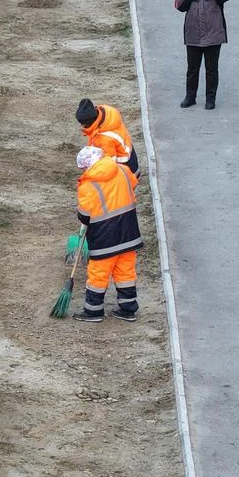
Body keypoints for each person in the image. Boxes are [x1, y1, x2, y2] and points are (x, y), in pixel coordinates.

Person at [72, 146, 143, 323]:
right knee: (125, 271)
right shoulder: (123, 170)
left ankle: (93, 310)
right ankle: (128, 309)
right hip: (129, 233)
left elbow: (85, 215)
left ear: (87, 165)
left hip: (104, 239)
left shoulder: (88, 185)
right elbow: (133, 184)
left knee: (98, 273)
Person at [175, 0, 230, 110]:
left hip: (213, 36)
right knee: (192, 69)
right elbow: (179, 6)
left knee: (211, 70)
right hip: (193, 35)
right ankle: (190, 97)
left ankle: (210, 99)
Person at [75, 98, 139, 174]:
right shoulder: (108, 118)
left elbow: (109, 166)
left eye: (83, 124)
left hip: (125, 170)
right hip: (130, 157)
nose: (82, 126)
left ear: (90, 122)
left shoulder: (104, 139)